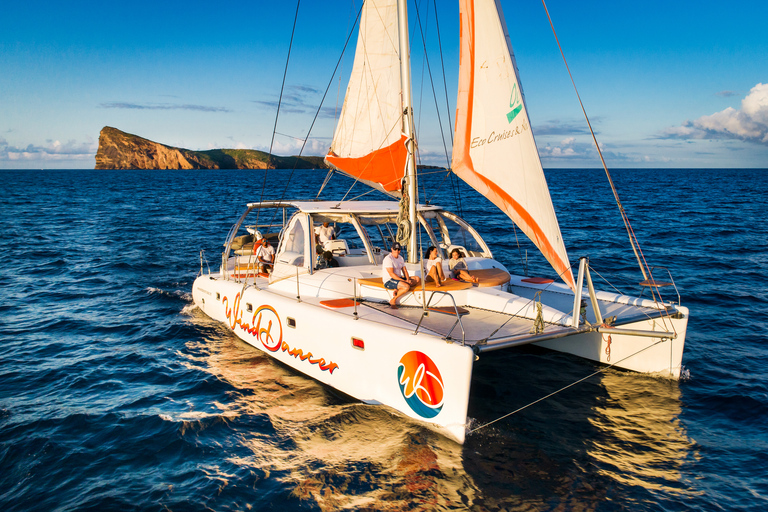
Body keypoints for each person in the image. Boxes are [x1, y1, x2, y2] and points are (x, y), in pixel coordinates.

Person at [381, 242, 420, 308]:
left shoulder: (400, 258)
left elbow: (404, 270)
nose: (397, 251)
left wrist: (407, 279)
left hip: (398, 278)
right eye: (395, 249)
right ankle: (393, 300)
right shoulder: (388, 259)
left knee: (417, 278)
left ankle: (397, 288)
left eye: (398, 249)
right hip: (389, 280)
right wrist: (404, 281)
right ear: (392, 249)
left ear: (400, 250)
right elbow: (391, 274)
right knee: (406, 286)